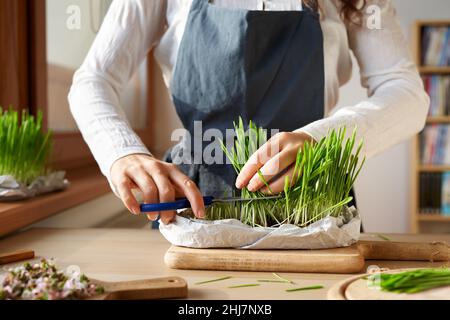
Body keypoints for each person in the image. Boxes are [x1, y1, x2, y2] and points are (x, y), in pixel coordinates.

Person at [69, 0, 429, 225]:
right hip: (197, 206)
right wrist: (122, 153)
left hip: (312, 204)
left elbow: (407, 92)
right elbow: (94, 78)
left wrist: (321, 140)